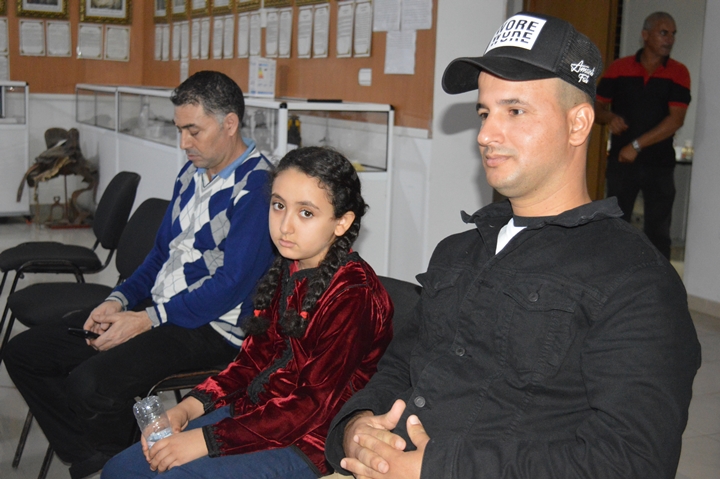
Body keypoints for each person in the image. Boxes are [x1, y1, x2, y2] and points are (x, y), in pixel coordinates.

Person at [325, 12, 701, 479]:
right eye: (484, 113)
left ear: (578, 124)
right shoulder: (458, 252)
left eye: (515, 111)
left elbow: (633, 461)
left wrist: (439, 468)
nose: (485, 135)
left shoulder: (635, 279)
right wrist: (358, 424)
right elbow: (402, 366)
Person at [4, 71, 276, 479]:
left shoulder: (257, 188)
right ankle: (98, 458)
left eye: (193, 131)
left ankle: (119, 462)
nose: (184, 143)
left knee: (91, 385)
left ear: (230, 124)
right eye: (180, 130)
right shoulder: (191, 173)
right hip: (163, 310)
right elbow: (160, 255)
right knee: (26, 354)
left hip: (213, 328)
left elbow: (229, 286)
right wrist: (118, 300)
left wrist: (147, 319)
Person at [101, 146, 394, 478]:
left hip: (308, 440)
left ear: (342, 222)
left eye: (306, 213)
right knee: (120, 469)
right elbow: (250, 361)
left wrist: (206, 441)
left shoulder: (353, 294)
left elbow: (311, 406)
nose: (285, 226)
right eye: (278, 206)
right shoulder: (286, 267)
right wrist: (186, 409)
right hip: (254, 413)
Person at [595, 11, 691, 260]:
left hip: (659, 165)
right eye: (663, 33)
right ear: (645, 35)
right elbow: (595, 108)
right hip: (621, 164)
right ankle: (613, 276)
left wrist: (635, 146)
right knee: (616, 225)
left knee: (658, 232)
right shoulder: (619, 68)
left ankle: (658, 281)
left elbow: (676, 120)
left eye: (673, 34)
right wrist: (609, 117)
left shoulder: (679, 72)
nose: (670, 39)